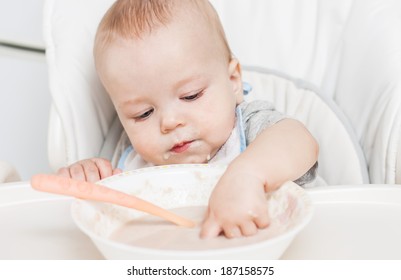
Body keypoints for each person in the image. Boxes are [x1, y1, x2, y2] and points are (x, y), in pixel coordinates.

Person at [57, 0, 319, 239]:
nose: (169, 122)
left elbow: (299, 140)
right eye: (143, 114)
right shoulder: (134, 167)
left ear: (233, 81)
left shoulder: (249, 129)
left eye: (191, 96)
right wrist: (88, 178)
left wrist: (248, 174)